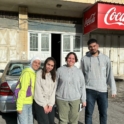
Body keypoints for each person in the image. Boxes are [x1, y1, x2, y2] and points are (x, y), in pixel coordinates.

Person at [81, 38, 117, 124]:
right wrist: (81, 91)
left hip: (103, 91)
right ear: (88, 48)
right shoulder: (84, 59)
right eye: (90, 47)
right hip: (89, 90)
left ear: (98, 46)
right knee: (89, 113)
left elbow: (109, 74)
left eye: (94, 46)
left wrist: (113, 89)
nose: (93, 48)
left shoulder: (105, 59)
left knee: (103, 113)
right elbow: (81, 76)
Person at [56, 52, 86, 124]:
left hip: (75, 99)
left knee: (74, 120)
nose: (71, 60)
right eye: (69, 58)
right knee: (63, 120)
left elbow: (82, 86)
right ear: (66, 59)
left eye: (73, 58)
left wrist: (84, 100)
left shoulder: (79, 72)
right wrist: (54, 98)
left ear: (75, 60)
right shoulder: (60, 70)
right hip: (61, 98)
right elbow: (55, 85)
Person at [16, 57, 41, 124]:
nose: (37, 64)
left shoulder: (34, 73)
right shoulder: (27, 73)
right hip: (24, 103)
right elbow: (23, 90)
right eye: (35, 62)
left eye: (39, 63)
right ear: (31, 63)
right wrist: (19, 106)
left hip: (30, 102)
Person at [34, 57, 57, 124]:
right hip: (40, 103)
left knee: (51, 122)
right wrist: (44, 105)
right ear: (45, 64)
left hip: (50, 103)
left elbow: (53, 91)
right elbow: (38, 91)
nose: (49, 67)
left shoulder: (53, 75)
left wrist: (50, 104)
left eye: (52, 65)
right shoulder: (39, 74)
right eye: (48, 64)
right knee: (44, 122)